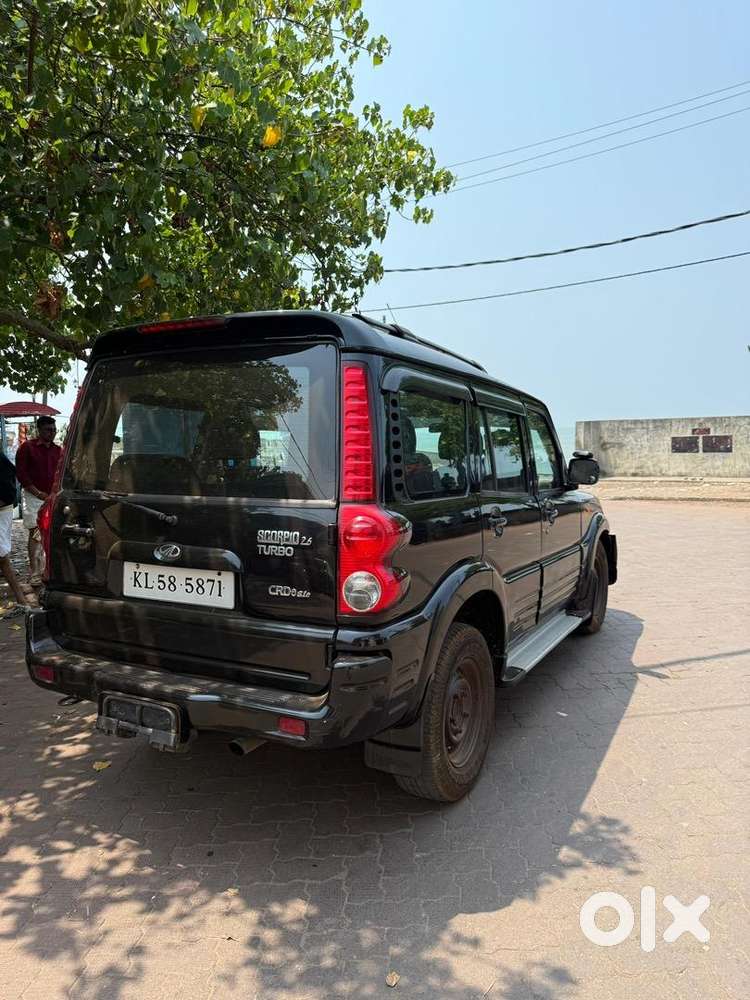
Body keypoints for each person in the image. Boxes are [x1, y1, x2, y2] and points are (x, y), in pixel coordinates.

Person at [14, 416, 62, 586]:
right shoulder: (27, 448)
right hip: (34, 496)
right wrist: (40, 494)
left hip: (53, 497)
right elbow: (22, 476)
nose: (53, 433)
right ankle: (35, 571)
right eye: (49, 430)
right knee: (35, 533)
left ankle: (48, 569)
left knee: (52, 533)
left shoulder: (59, 450)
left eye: (54, 430)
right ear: (39, 430)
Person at [0, 451, 31, 606]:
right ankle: (20, 597)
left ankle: (20, 597)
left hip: (2, 508)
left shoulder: (3, 463)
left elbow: (8, 492)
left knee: (2, 557)